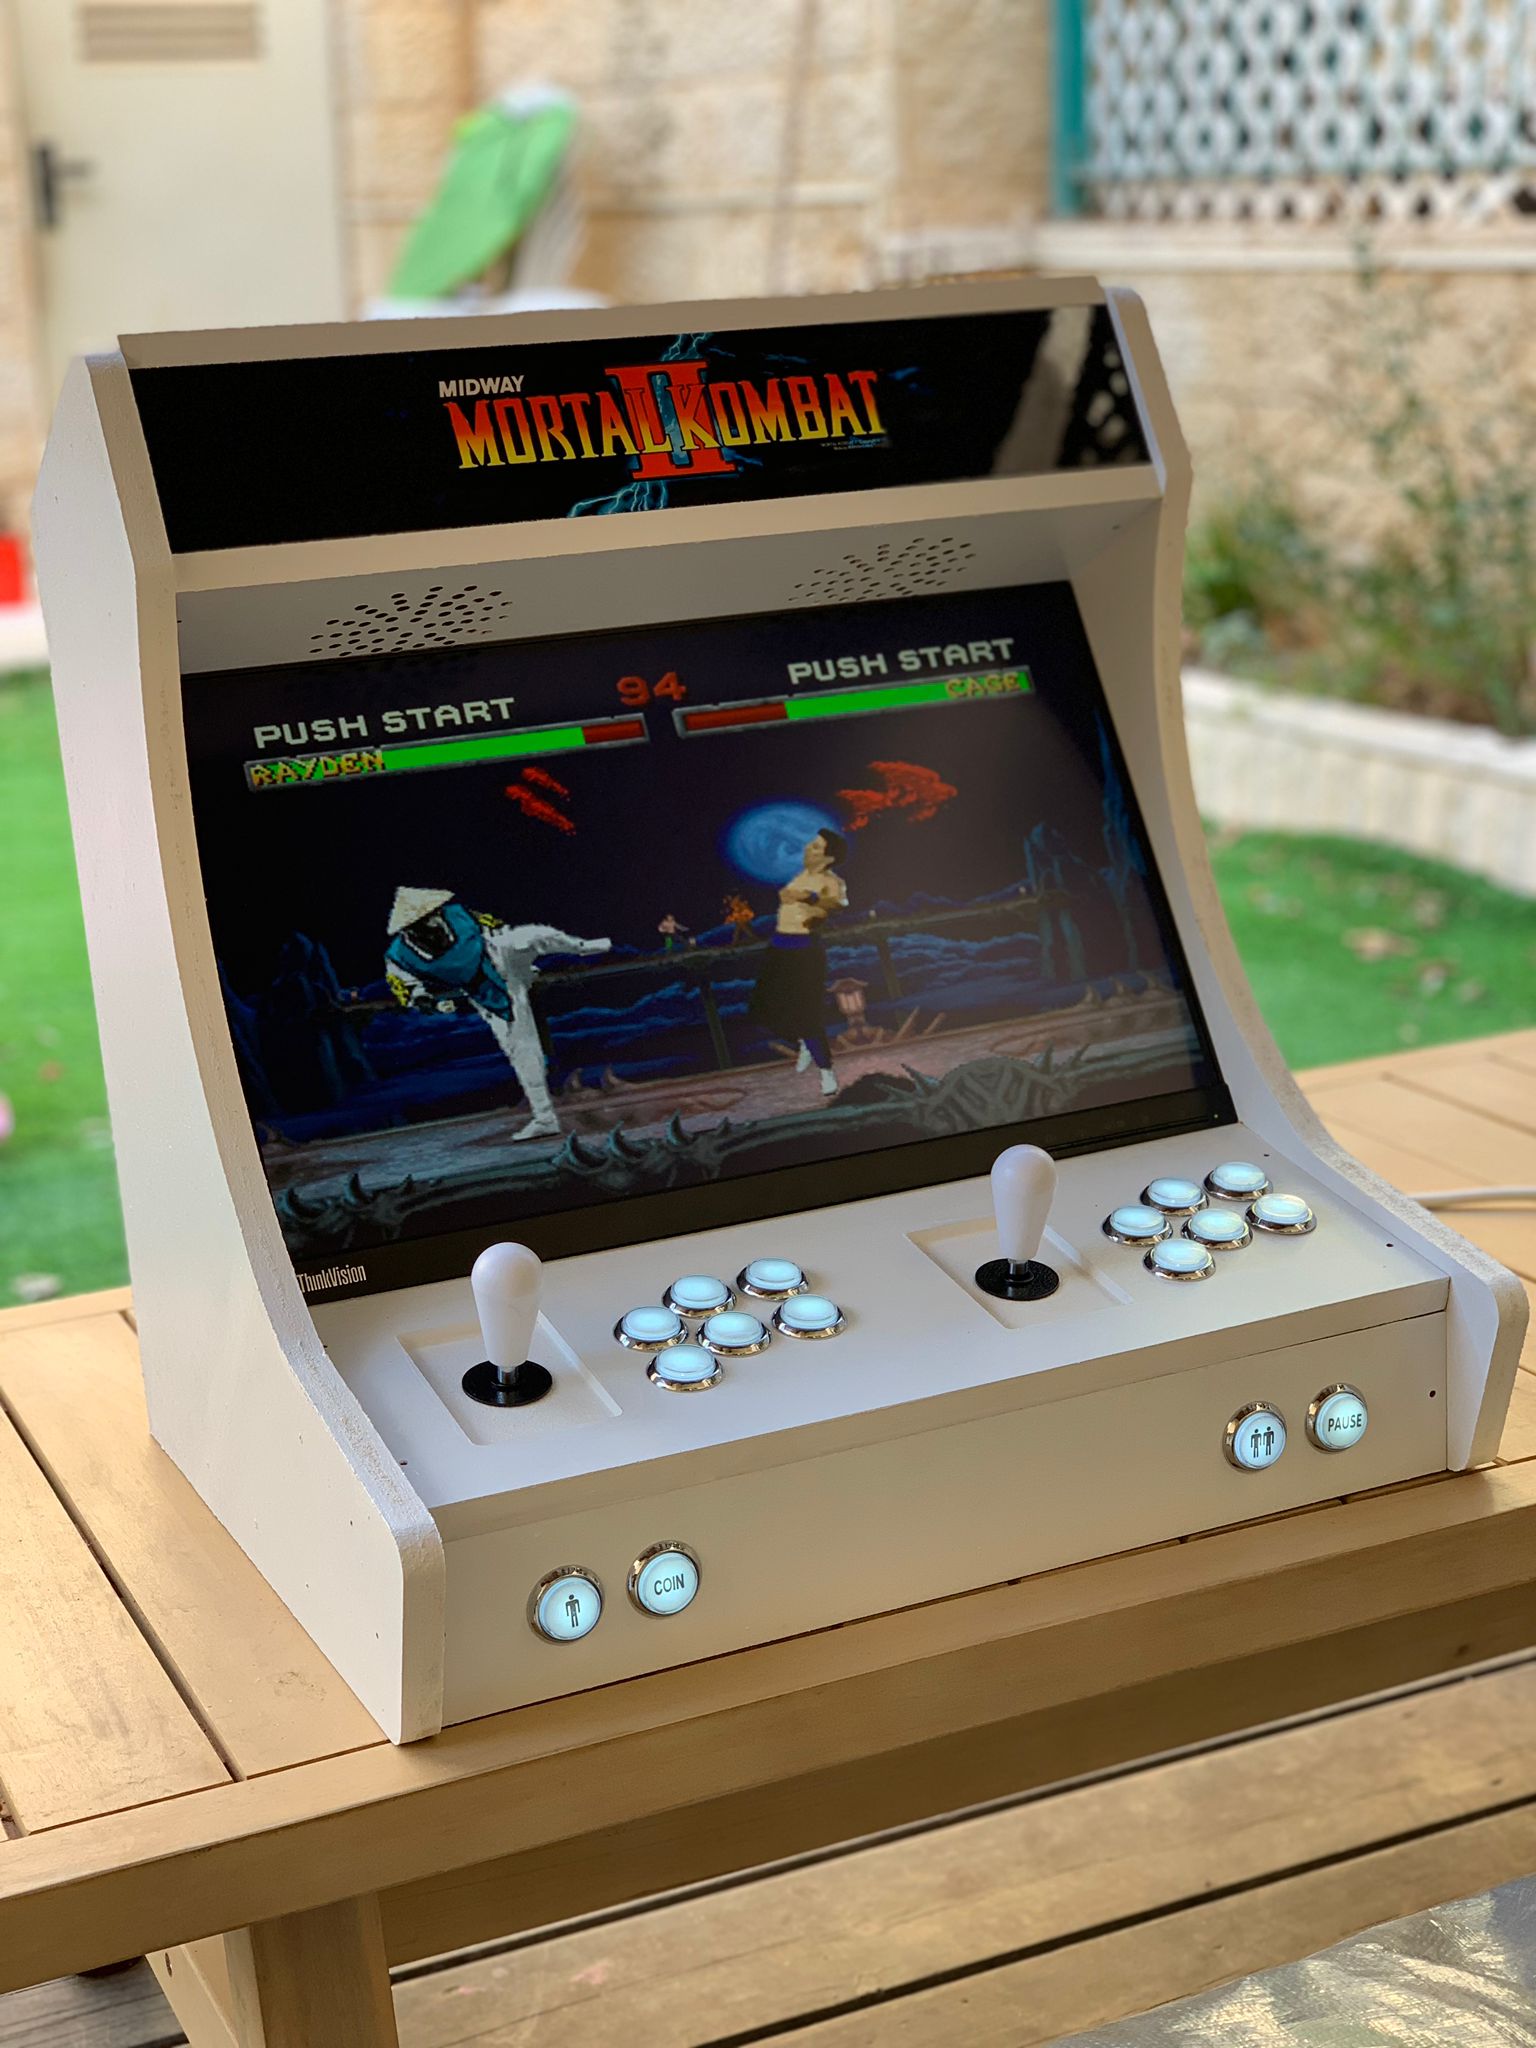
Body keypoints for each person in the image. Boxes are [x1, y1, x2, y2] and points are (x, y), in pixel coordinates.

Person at [384, 886, 611, 1141]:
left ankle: (581, 946)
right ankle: (545, 1119)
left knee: (529, 936)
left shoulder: (459, 914)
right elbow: (405, 987)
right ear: (410, 929)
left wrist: (520, 963)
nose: (434, 921)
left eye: (432, 914)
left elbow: (494, 927)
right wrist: (426, 1001)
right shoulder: (399, 956)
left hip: (498, 956)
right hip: (484, 992)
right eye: (424, 920)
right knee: (523, 1052)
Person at [747, 829, 849, 1097]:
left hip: (804, 952)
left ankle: (826, 1070)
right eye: (810, 845)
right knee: (761, 1008)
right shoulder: (801, 876)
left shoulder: (831, 881)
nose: (808, 849)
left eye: (815, 847)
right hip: (779, 947)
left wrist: (808, 899)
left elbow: (835, 906)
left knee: (807, 1015)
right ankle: (802, 1039)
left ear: (828, 858)